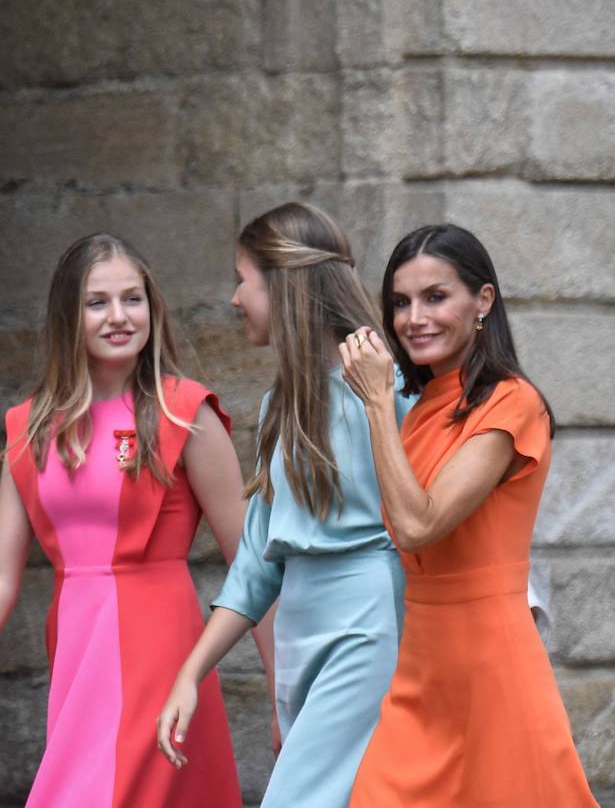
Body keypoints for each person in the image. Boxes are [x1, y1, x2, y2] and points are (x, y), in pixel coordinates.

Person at [0, 233, 262, 807]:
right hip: (78, 656)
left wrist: (283, 697)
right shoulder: (29, 427)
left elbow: (254, 564)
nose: (120, 316)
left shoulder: (186, 411)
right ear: (66, 316)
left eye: (134, 299)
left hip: (161, 652)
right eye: (98, 302)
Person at [157, 202, 414, 806]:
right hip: (301, 626)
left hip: (368, 622)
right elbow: (255, 566)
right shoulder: (281, 405)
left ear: (284, 285)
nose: (233, 298)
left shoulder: (393, 389)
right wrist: (191, 675)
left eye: (242, 279)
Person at [340, 224, 597, 806]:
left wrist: (378, 402)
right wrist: (390, 408)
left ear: (483, 301)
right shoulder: (424, 408)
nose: (413, 319)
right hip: (423, 669)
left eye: (436, 297)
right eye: (400, 303)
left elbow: (417, 525)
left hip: (492, 666)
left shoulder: (513, 402)